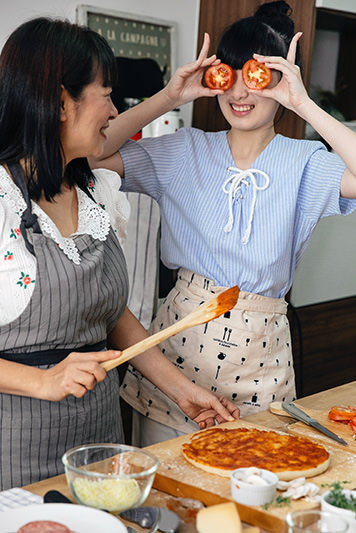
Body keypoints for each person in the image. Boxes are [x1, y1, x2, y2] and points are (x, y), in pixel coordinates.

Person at [93, 1, 356, 446]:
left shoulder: (306, 162)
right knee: (164, 489)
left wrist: (304, 103)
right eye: (226, 75)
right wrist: (169, 97)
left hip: (261, 352)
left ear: (279, 80)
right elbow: (91, 154)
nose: (239, 92)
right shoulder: (183, 149)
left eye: (255, 76)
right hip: (178, 346)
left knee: (250, 479)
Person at [0, 17, 239, 491]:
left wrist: (181, 392)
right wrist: (43, 382)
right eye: (105, 93)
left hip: (101, 443)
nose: (114, 109)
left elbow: (111, 317)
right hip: (16, 456)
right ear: (60, 101)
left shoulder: (92, 191)